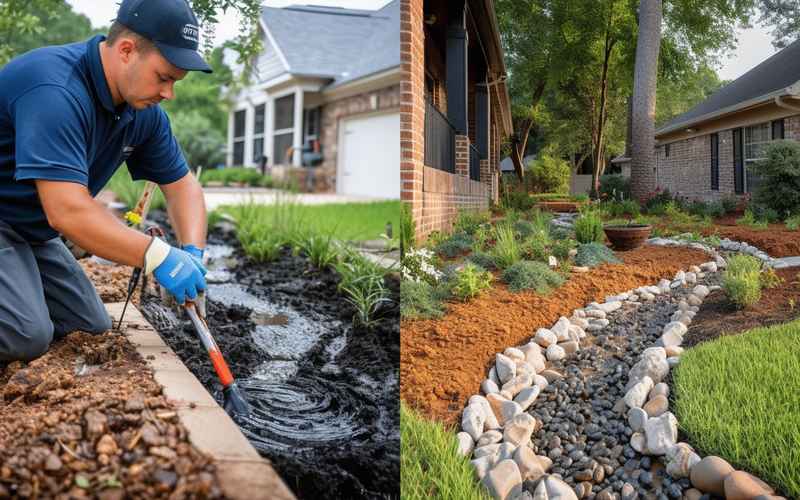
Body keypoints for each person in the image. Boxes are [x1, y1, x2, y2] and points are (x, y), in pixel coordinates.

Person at [0, 0, 211, 362]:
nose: (168, 93)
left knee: (88, 325)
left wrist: (192, 254)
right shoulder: (55, 90)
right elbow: (67, 212)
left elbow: (183, 187)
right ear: (127, 50)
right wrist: (159, 256)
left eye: (176, 82)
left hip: (28, 231)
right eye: (163, 77)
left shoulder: (142, 112)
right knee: (26, 334)